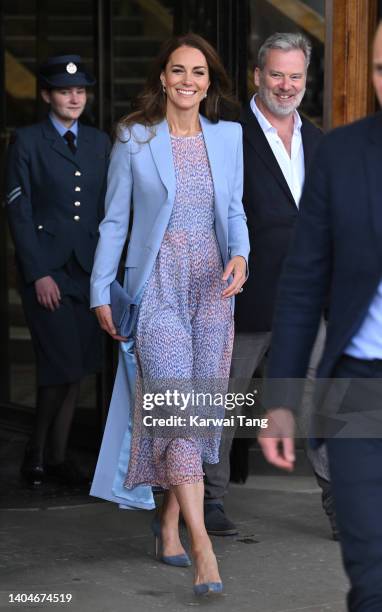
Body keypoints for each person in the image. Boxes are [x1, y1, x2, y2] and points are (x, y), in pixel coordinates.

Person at [90, 33, 250, 596]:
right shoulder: (136, 137)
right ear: (162, 78)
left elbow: (233, 209)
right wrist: (100, 291)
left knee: (199, 409)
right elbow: (114, 221)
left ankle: (168, 523)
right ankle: (204, 547)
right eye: (178, 70)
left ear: (210, 82)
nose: (189, 81)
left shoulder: (228, 136)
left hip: (211, 285)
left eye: (199, 72)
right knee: (177, 407)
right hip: (155, 284)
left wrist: (240, 254)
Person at [259, 22, 382, 611]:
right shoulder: (341, 154)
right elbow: (305, 281)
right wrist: (280, 398)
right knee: (371, 573)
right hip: (359, 382)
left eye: (296, 75)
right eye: (381, 70)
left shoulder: (316, 141)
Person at [203, 32, 335, 538]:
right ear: (257, 75)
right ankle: (210, 503)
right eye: (276, 74)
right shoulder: (227, 134)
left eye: (295, 76)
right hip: (243, 299)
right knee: (225, 403)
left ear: (307, 79)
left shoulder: (321, 142)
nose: (286, 85)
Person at [5, 55, 111, 486]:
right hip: (48, 273)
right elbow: (19, 211)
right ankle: (36, 452)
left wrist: (108, 274)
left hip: (88, 272)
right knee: (61, 366)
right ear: (47, 95)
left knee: (78, 369)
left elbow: (110, 208)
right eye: (65, 91)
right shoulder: (27, 141)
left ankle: (57, 455)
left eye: (80, 91)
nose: (74, 97)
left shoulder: (99, 142)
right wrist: (38, 273)